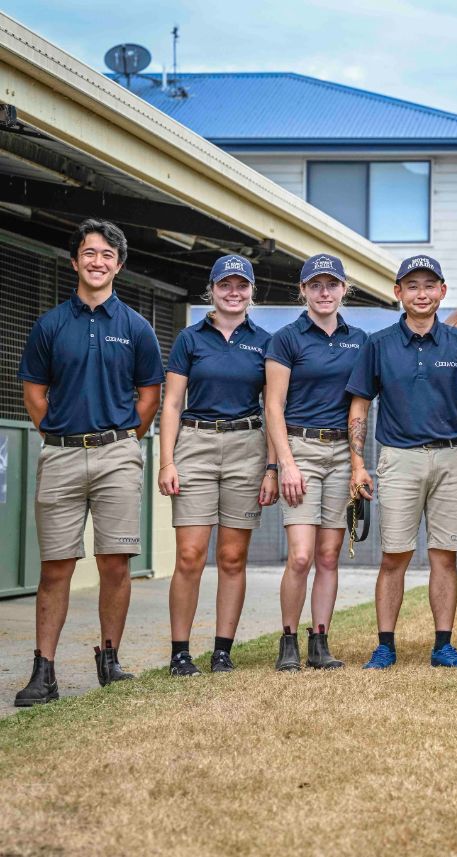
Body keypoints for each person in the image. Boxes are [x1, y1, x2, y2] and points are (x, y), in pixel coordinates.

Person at [15, 219, 163, 706]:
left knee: (115, 563)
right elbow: (34, 393)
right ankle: (44, 672)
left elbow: (149, 397)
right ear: (74, 261)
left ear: (119, 265)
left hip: (117, 455)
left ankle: (110, 660)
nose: (97, 261)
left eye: (107, 255)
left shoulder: (136, 328)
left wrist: (120, 443)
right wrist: (58, 435)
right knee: (55, 567)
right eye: (89, 253)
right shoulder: (50, 325)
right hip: (60, 454)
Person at [348, 256, 457, 670]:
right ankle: (385, 646)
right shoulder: (379, 344)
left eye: (429, 285)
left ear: (442, 291)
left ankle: (443, 646)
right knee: (394, 556)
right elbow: (359, 406)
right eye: (412, 286)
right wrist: (357, 464)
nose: (421, 294)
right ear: (398, 293)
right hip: (399, 459)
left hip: (451, 459)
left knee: (445, 555)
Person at [158, 255, 278, 677]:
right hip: (195, 445)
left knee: (231, 557)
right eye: (225, 285)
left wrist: (272, 468)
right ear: (211, 290)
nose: (233, 292)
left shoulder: (266, 342)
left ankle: (222, 651)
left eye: (241, 286)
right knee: (190, 555)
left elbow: (274, 408)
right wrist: (167, 461)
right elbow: (172, 404)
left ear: (251, 292)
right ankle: (180, 653)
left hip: (247, 447)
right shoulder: (189, 339)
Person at [264, 254, 368, 672]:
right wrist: (284, 464)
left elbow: (360, 406)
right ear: (303, 290)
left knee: (328, 555)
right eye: (315, 285)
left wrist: (358, 464)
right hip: (300, 449)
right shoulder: (286, 338)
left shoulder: (359, 340)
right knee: (301, 556)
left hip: (341, 452)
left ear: (344, 289)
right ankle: (288, 640)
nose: (324, 293)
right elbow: (273, 406)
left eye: (332, 284)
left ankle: (319, 641)